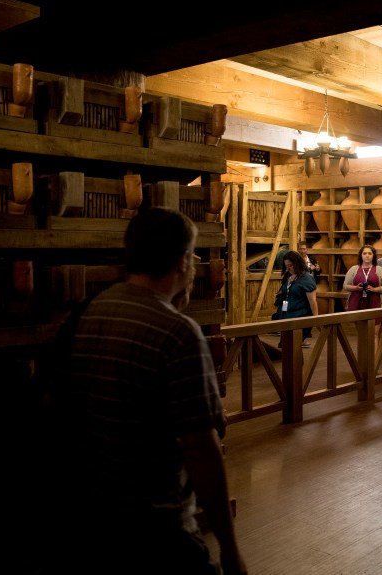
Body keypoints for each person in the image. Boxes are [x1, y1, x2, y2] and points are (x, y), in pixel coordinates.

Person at [48, 206, 246, 574]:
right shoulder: (177, 332)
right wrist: (231, 549)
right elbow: (201, 449)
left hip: (86, 517)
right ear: (184, 261)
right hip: (155, 527)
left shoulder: (86, 312)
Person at [273, 250, 320, 347]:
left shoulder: (306, 278)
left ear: (297, 263)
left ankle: (298, 362)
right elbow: (286, 294)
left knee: (292, 345)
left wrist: (315, 319)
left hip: (299, 316)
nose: (288, 268)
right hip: (286, 315)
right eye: (286, 266)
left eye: (290, 265)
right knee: (284, 345)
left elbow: (312, 301)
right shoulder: (288, 276)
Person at [343, 244, 382, 311]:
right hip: (355, 303)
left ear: (373, 256)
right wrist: (356, 288)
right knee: (356, 320)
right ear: (361, 255)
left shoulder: (380, 270)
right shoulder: (353, 269)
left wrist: (374, 289)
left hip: (375, 304)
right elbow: (345, 286)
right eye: (364, 253)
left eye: (370, 253)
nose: (367, 256)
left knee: (374, 320)